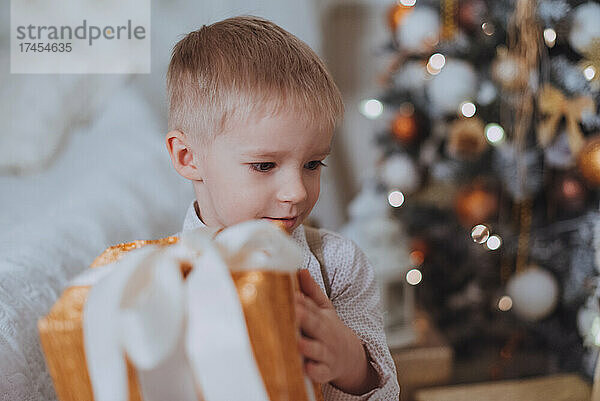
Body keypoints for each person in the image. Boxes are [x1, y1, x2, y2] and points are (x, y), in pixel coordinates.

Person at [165, 16, 400, 400]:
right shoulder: (162, 278)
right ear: (189, 157)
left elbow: (384, 393)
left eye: (312, 165)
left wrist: (350, 364)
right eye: (264, 166)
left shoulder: (339, 267)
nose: (295, 192)